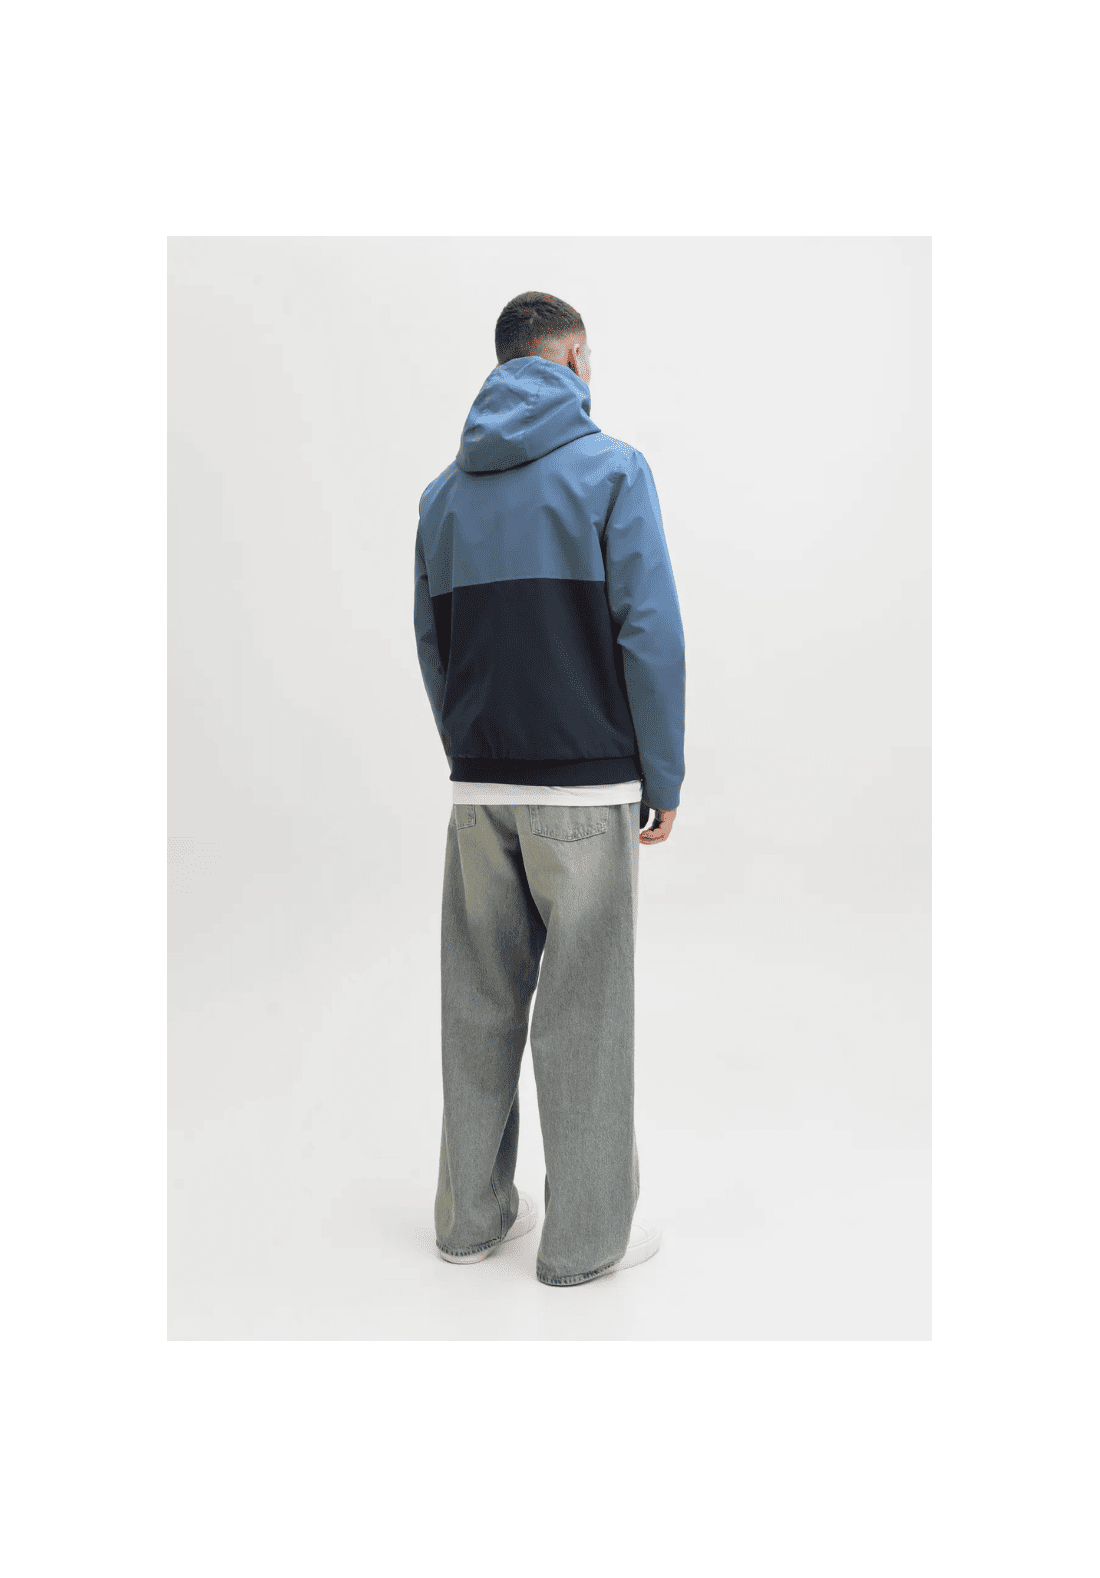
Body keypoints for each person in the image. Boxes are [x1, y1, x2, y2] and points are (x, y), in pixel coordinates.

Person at [413, 290, 686, 1287]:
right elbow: (648, 629)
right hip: (584, 787)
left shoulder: (441, 496)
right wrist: (662, 770)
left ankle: (469, 1222)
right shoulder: (613, 470)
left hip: (478, 787)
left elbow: (433, 646)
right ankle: (583, 1244)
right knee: (586, 1017)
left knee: (476, 1003)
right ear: (570, 358)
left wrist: (473, 753)